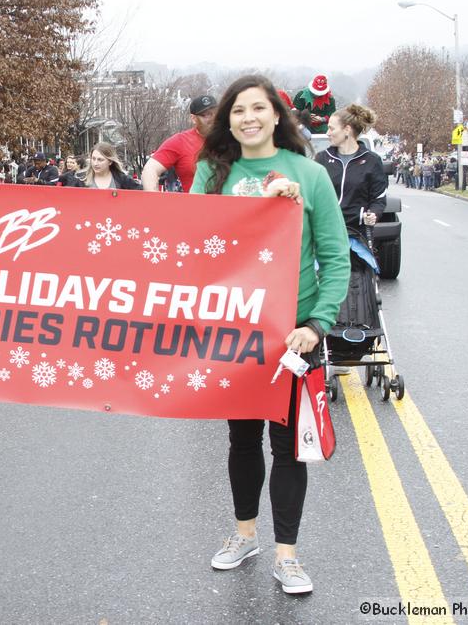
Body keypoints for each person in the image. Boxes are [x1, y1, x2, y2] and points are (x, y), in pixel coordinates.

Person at [190, 74, 349, 595]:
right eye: (238, 110)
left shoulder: (310, 174)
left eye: (259, 108)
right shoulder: (213, 173)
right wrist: (260, 201)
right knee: (241, 438)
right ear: (227, 120)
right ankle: (244, 536)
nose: (248, 118)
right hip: (236, 330)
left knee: (286, 445)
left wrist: (315, 324)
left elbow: (336, 258)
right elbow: (195, 240)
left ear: (278, 116)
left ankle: (288, 555)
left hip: (293, 336)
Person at [315, 104, 388, 230]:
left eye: (331, 129)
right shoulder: (322, 158)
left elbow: (378, 198)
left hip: (356, 233)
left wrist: (373, 214)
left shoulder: (372, 160)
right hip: (326, 231)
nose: (327, 133)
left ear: (347, 130)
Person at [141, 95, 217, 193]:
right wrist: (155, 204)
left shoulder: (232, 139)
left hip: (232, 206)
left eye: (214, 113)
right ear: (193, 118)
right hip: (197, 206)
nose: (211, 119)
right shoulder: (180, 141)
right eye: (205, 115)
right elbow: (150, 170)